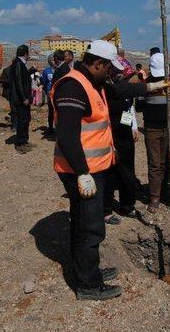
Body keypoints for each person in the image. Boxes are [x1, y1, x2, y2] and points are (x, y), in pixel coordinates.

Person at [51, 39, 122, 301]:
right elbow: (67, 135)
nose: (111, 73)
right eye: (109, 68)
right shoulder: (73, 86)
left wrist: (148, 87)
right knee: (89, 227)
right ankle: (88, 284)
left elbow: (120, 92)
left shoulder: (93, 82)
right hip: (80, 170)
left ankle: (88, 271)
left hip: (92, 168)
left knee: (83, 222)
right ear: (98, 63)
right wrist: (82, 172)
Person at [103, 64, 170, 224]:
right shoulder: (107, 89)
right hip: (110, 133)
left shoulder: (124, 88)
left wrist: (133, 126)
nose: (124, 78)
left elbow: (129, 107)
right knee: (111, 171)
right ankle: (105, 209)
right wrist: (149, 86)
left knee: (128, 168)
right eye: (121, 75)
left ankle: (127, 204)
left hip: (124, 132)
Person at [137, 52, 170, 213]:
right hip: (152, 128)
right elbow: (139, 107)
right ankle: (155, 196)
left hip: (168, 126)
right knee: (155, 164)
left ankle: (167, 192)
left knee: (167, 161)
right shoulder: (144, 86)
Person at [9, 45, 33, 153]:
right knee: (22, 120)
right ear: (26, 54)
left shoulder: (20, 64)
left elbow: (23, 78)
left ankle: (24, 141)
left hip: (24, 98)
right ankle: (20, 143)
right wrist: (24, 98)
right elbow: (19, 82)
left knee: (26, 119)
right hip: (21, 99)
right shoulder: (18, 64)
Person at [42, 51, 62, 137]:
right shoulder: (46, 71)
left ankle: (59, 128)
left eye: (55, 60)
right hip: (50, 95)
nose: (54, 62)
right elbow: (44, 82)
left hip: (59, 94)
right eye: (52, 60)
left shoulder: (61, 69)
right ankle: (50, 128)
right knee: (51, 112)